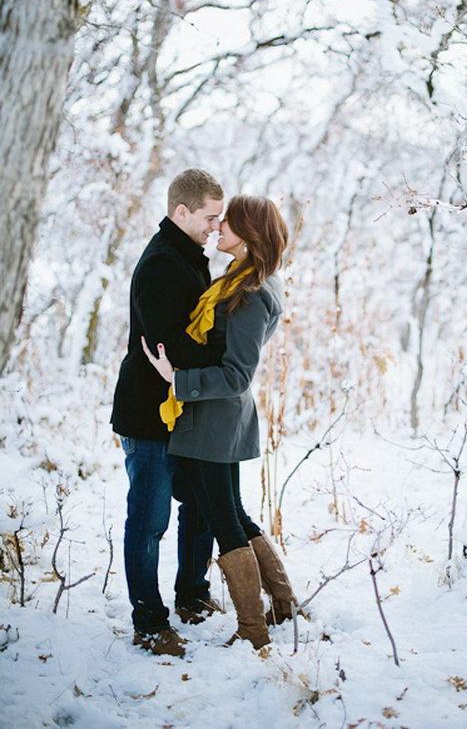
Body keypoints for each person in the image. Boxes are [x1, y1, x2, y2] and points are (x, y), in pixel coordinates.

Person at [141, 194, 300, 650]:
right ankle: (284, 604)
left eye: (228, 222)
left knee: (223, 520)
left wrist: (179, 379)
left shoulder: (251, 294)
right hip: (218, 419)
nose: (219, 227)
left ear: (249, 236)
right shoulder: (242, 280)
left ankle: (253, 630)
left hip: (215, 419)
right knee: (233, 512)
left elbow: (236, 374)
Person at [111, 168, 225, 657]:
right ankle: (150, 623)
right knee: (150, 519)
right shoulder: (161, 264)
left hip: (180, 409)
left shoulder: (189, 256)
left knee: (199, 505)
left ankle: (192, 596)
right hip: (147, 414)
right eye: (209, 217)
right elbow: (168, 346)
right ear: (181, 211)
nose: (215, 227)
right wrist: (225, 355)